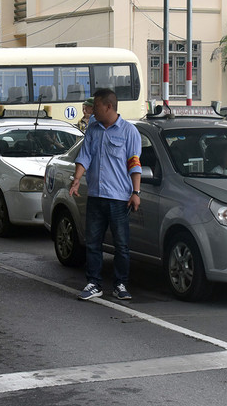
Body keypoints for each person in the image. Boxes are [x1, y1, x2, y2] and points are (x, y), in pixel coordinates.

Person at [69, 89, 142, 301]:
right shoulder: (93, 129)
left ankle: (120, 284)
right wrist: (76, 179)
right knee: (93, 242)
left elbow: (134, 163)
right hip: (96, 195)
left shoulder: (129, 132)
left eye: (97, 107)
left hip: (119, 198)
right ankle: (94, 283)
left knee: (121, 245)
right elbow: (85, 157)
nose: (93, 111)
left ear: (108, 106)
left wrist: (135, 192)